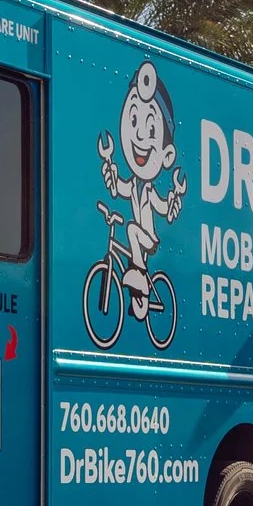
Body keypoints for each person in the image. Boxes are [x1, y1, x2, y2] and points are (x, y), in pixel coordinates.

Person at [96, 61, 187, 318]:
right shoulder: (134, 184)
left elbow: (163, 208)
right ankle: (138, 283)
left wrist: (175, 197)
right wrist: (109, 163)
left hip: (149, 239)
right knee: (131, 231)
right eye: (133, 119)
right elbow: (118, 188)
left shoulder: (148, 191)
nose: (139, 136)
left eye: (150, 127)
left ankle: (138, 272)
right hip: (139, 238)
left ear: (167, 156)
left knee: (133, 230)